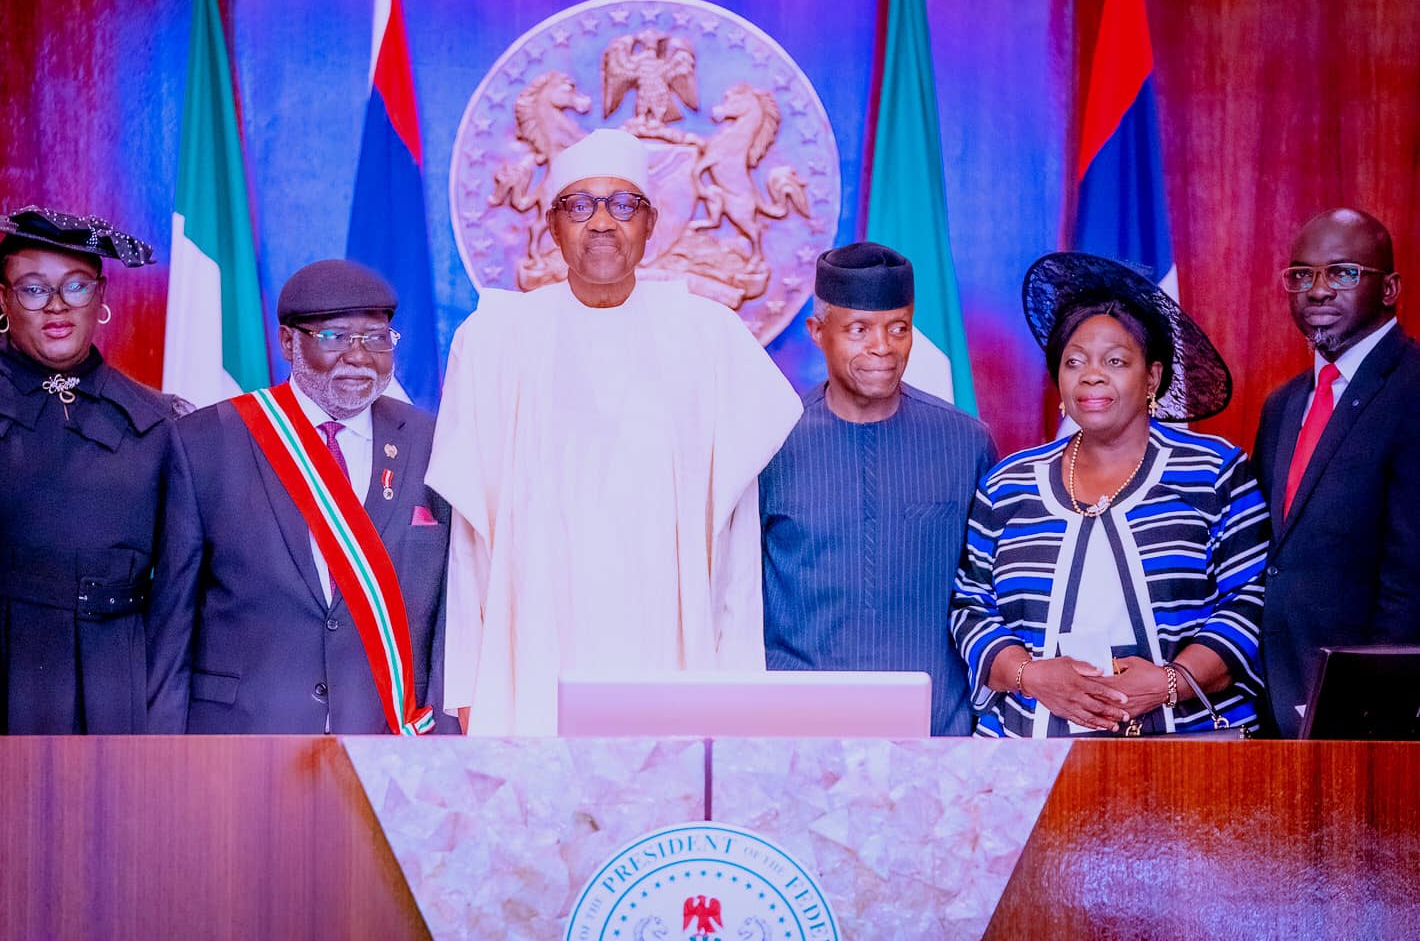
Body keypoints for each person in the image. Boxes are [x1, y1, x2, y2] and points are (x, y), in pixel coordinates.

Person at [427, 128, 802, 736]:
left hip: (669, 648)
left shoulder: (708, 337)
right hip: (532, 652)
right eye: (580, 204)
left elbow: (735, 545)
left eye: (623, 204)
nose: (602, 221)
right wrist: (471, 683)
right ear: (553, 226)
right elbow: (472, 540)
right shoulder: (497, 338)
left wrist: (737, 682)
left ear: (652, 224)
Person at [951, 252, 1269, 737]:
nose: (1092, 375)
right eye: (1074, 361)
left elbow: (1251, 600)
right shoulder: (1007, 482)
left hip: (1193, 757)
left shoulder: (1214, 471)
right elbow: (970, 603)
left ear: (1153, 377)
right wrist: (1030, 676)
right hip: (1024, 756)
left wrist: (1170, 682)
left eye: (1115, 361)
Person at [150, 259, 454, 735]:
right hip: (243, 738)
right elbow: (172, 620)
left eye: (376, 337)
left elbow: (450, 618)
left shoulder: (432, 441)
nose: (359, 357)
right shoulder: (204, 442)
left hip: (390, 739)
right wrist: (160, 758)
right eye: (335, 337)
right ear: (288, 342)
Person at [0, 206, 181, 733]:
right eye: (33, 289)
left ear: (102, 296)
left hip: (121, 682)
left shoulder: (163, 421)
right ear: (3, 299)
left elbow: (183, 592)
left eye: (76, 286)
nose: (57, 306)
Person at [760, 242, 995, 736]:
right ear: (818, 333)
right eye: (858, 329)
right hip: (796, 735)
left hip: (938, 737)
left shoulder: (964, 442)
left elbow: (988, 590)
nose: (882, 347)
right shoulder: (767, 442)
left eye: (898, 328)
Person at [1253, 207, 1420, 737]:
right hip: (1275, 696)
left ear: (1390, 288)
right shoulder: (1282, 406)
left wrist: (1371, 702)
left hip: (1369, 712)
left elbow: (1411, 574)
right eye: (1302, 275)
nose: (1317, 290)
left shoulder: (1414, 389)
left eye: (1343, 272)